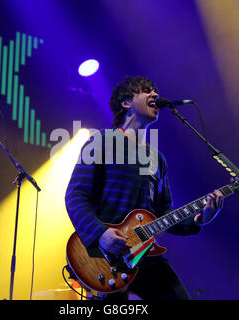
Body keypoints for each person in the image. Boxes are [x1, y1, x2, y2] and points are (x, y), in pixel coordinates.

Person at [65, 76, 224, 300]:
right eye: (146, 91)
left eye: (156, 91)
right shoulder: (102, 141)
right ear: (126, 103)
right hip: (105, 256)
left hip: (146, 254)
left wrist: (199, 218)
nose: (155, 95)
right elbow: (75, 195)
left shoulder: (157, 159)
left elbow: (164, 213)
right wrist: (100, 234)